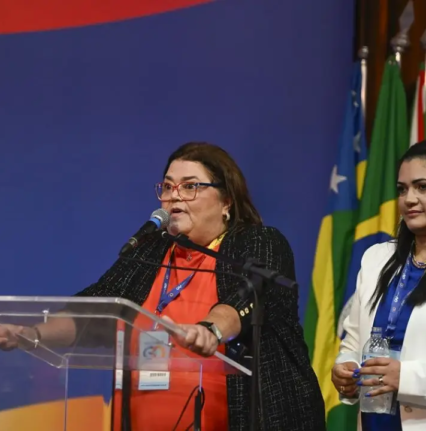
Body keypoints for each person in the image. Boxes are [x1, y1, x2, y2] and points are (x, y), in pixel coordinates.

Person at [0, 142, 325, 430]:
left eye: (190, 186)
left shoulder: (257, 242)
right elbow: (94, 312)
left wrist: (210, 330)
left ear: (226, 200)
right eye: (168, 187)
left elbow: (249, 294)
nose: (174, 197)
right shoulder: (150, 251)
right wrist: (31, 335)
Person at [331, 140, 426, 431]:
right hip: (373, 421)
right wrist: (344, 369)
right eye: (402, 189)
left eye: (422, 187)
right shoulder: (376, 258)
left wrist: (406, 378)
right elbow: (353, 339)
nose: (409, 199)